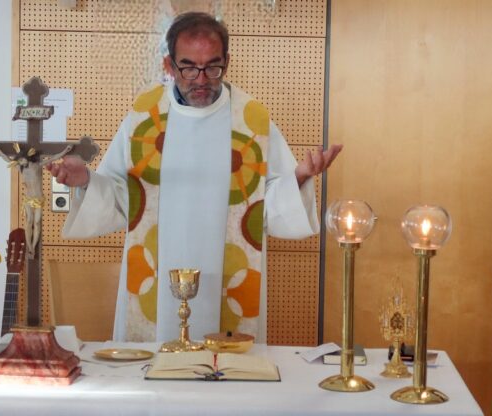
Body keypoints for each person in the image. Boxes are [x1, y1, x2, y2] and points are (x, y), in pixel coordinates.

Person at [46, 12, 340, 343]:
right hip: (158, 278)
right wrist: (86, 180)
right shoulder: (144, 118)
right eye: (188, 67)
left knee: (225, 368)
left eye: (212, 67)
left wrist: (298, 176)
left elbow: (263, 209)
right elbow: (122, 199)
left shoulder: (252, 120)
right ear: (169, 65)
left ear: (227, 62)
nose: (201, 79)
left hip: (226, 277)